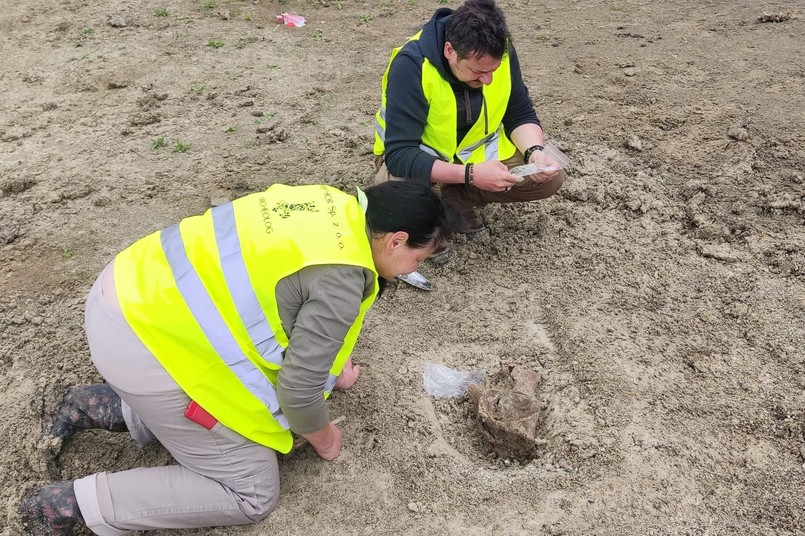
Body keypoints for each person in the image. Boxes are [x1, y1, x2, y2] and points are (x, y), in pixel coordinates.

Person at [19, 181, 448, 535]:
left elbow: (282, 297)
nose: (411, 269)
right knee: (251, 491)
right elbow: (298, 394)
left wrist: (331, 369)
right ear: (396, 240)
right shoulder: (343, 278)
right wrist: (325, 438)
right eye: (417, 258)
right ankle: (65, 505)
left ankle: (99, 405)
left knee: (223, 397)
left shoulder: (331, 205)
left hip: (131, 290)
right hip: (145, 345)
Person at [373, 0, 565, 262]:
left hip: (471, 158)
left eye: (492, 70)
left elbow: (518, 111)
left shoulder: (497, 52)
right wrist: (471, 175)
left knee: (550, 178)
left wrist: (535, 153)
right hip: (418, 161)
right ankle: (429, 222)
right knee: (392, 190)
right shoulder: (411, 65)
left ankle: (454, 204)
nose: (487, 80)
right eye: (478, 71)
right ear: (450, 50)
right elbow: (401, 154)